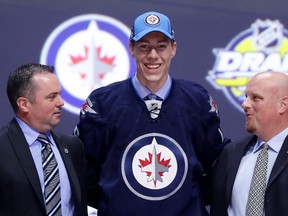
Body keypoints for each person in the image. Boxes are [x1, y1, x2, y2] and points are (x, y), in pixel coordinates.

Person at [74, 11, 228, 216]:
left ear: (173, 49)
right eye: (144, 47)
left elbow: (217, 166)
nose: (153, 56)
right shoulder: (103, 103)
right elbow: (85, 174)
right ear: (131, 49)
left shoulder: (197, 100)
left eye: (161, 47)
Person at [0, 63, 87, 216]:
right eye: (52, 97)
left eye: (59, 95)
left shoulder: (73, 146)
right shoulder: (3, 146)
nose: (61, 102)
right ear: (24, 104)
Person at [211, 71, 288, 216]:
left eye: (256, 98)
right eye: (246, 96)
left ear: (283, 104)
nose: (244, 104)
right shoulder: (231, 152)